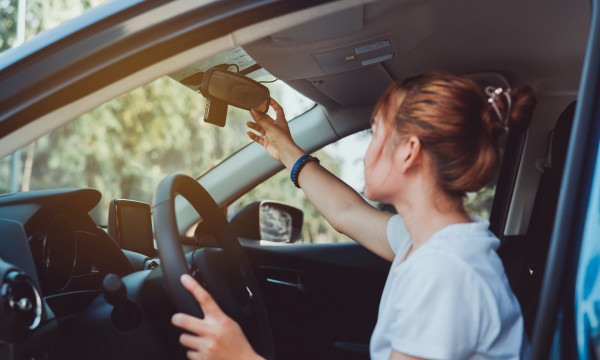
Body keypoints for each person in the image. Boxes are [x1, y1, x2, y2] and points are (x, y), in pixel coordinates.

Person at [171, 72, 536, 360]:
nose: (369, 148)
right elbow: (346, 211)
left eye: (376, 130)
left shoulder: (446, 272)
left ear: (409, 153)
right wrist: (285, 150)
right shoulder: (430, 241)